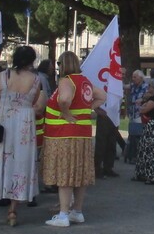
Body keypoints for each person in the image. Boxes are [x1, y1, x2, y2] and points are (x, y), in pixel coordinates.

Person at [0, 46, 40, 227]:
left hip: (5, 122)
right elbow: (34, 101)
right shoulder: (35, 79)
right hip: (24, 126)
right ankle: (12, 211)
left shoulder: (3, 76)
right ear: (31, 60)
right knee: (19, 164)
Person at [41, 51, 105, 228]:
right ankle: (77, 211)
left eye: (59, 64)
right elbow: (102, 96)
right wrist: (88, 109)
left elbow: (65, 99)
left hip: (64, 135)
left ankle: (63, 214)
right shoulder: (84, 82)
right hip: (82, 135)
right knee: (79, 174)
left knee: (65, 174)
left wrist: (66, 112)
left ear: (63, 65)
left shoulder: (66, 81)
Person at [133, 78, 154, 185]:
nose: (148, 88)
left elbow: (144, 109)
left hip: (153, 124)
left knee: (152, 149)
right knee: (144, 147)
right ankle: (143, 172)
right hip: (152, 123)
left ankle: (153, 175)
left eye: (150, 86)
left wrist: (143, 104)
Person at [123, 70, 147, 164]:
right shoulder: (133, 85)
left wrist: (143, 99)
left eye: (135, 77)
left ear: (141, 78)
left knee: (137, 135)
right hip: (132, 112)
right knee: (132, 134)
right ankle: (130, 154)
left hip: (140, 113)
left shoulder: (145, 87)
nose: (133, 79)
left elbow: (147, 97)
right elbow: (124, 86)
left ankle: (137, 155)